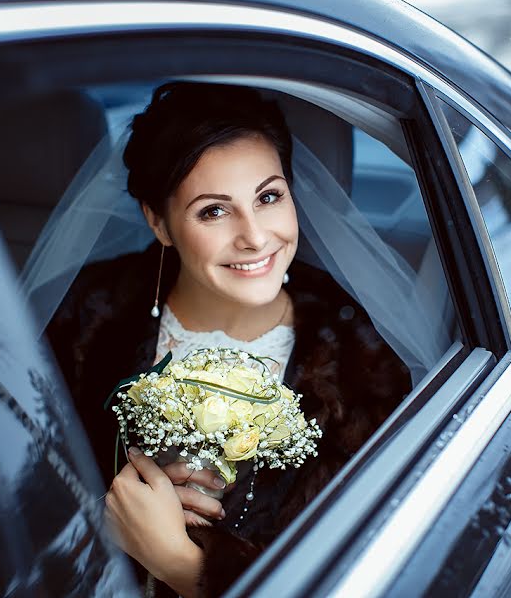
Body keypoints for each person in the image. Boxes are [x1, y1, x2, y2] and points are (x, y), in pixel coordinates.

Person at [44, 83, 412, 597]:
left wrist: (183, 565)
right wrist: (110, 515)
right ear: (160, 222)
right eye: (214, 211)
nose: (256, 237)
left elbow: (363, 572)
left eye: (268, 197)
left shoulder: (363, 362)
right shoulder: (83, 319)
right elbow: (13, 495)